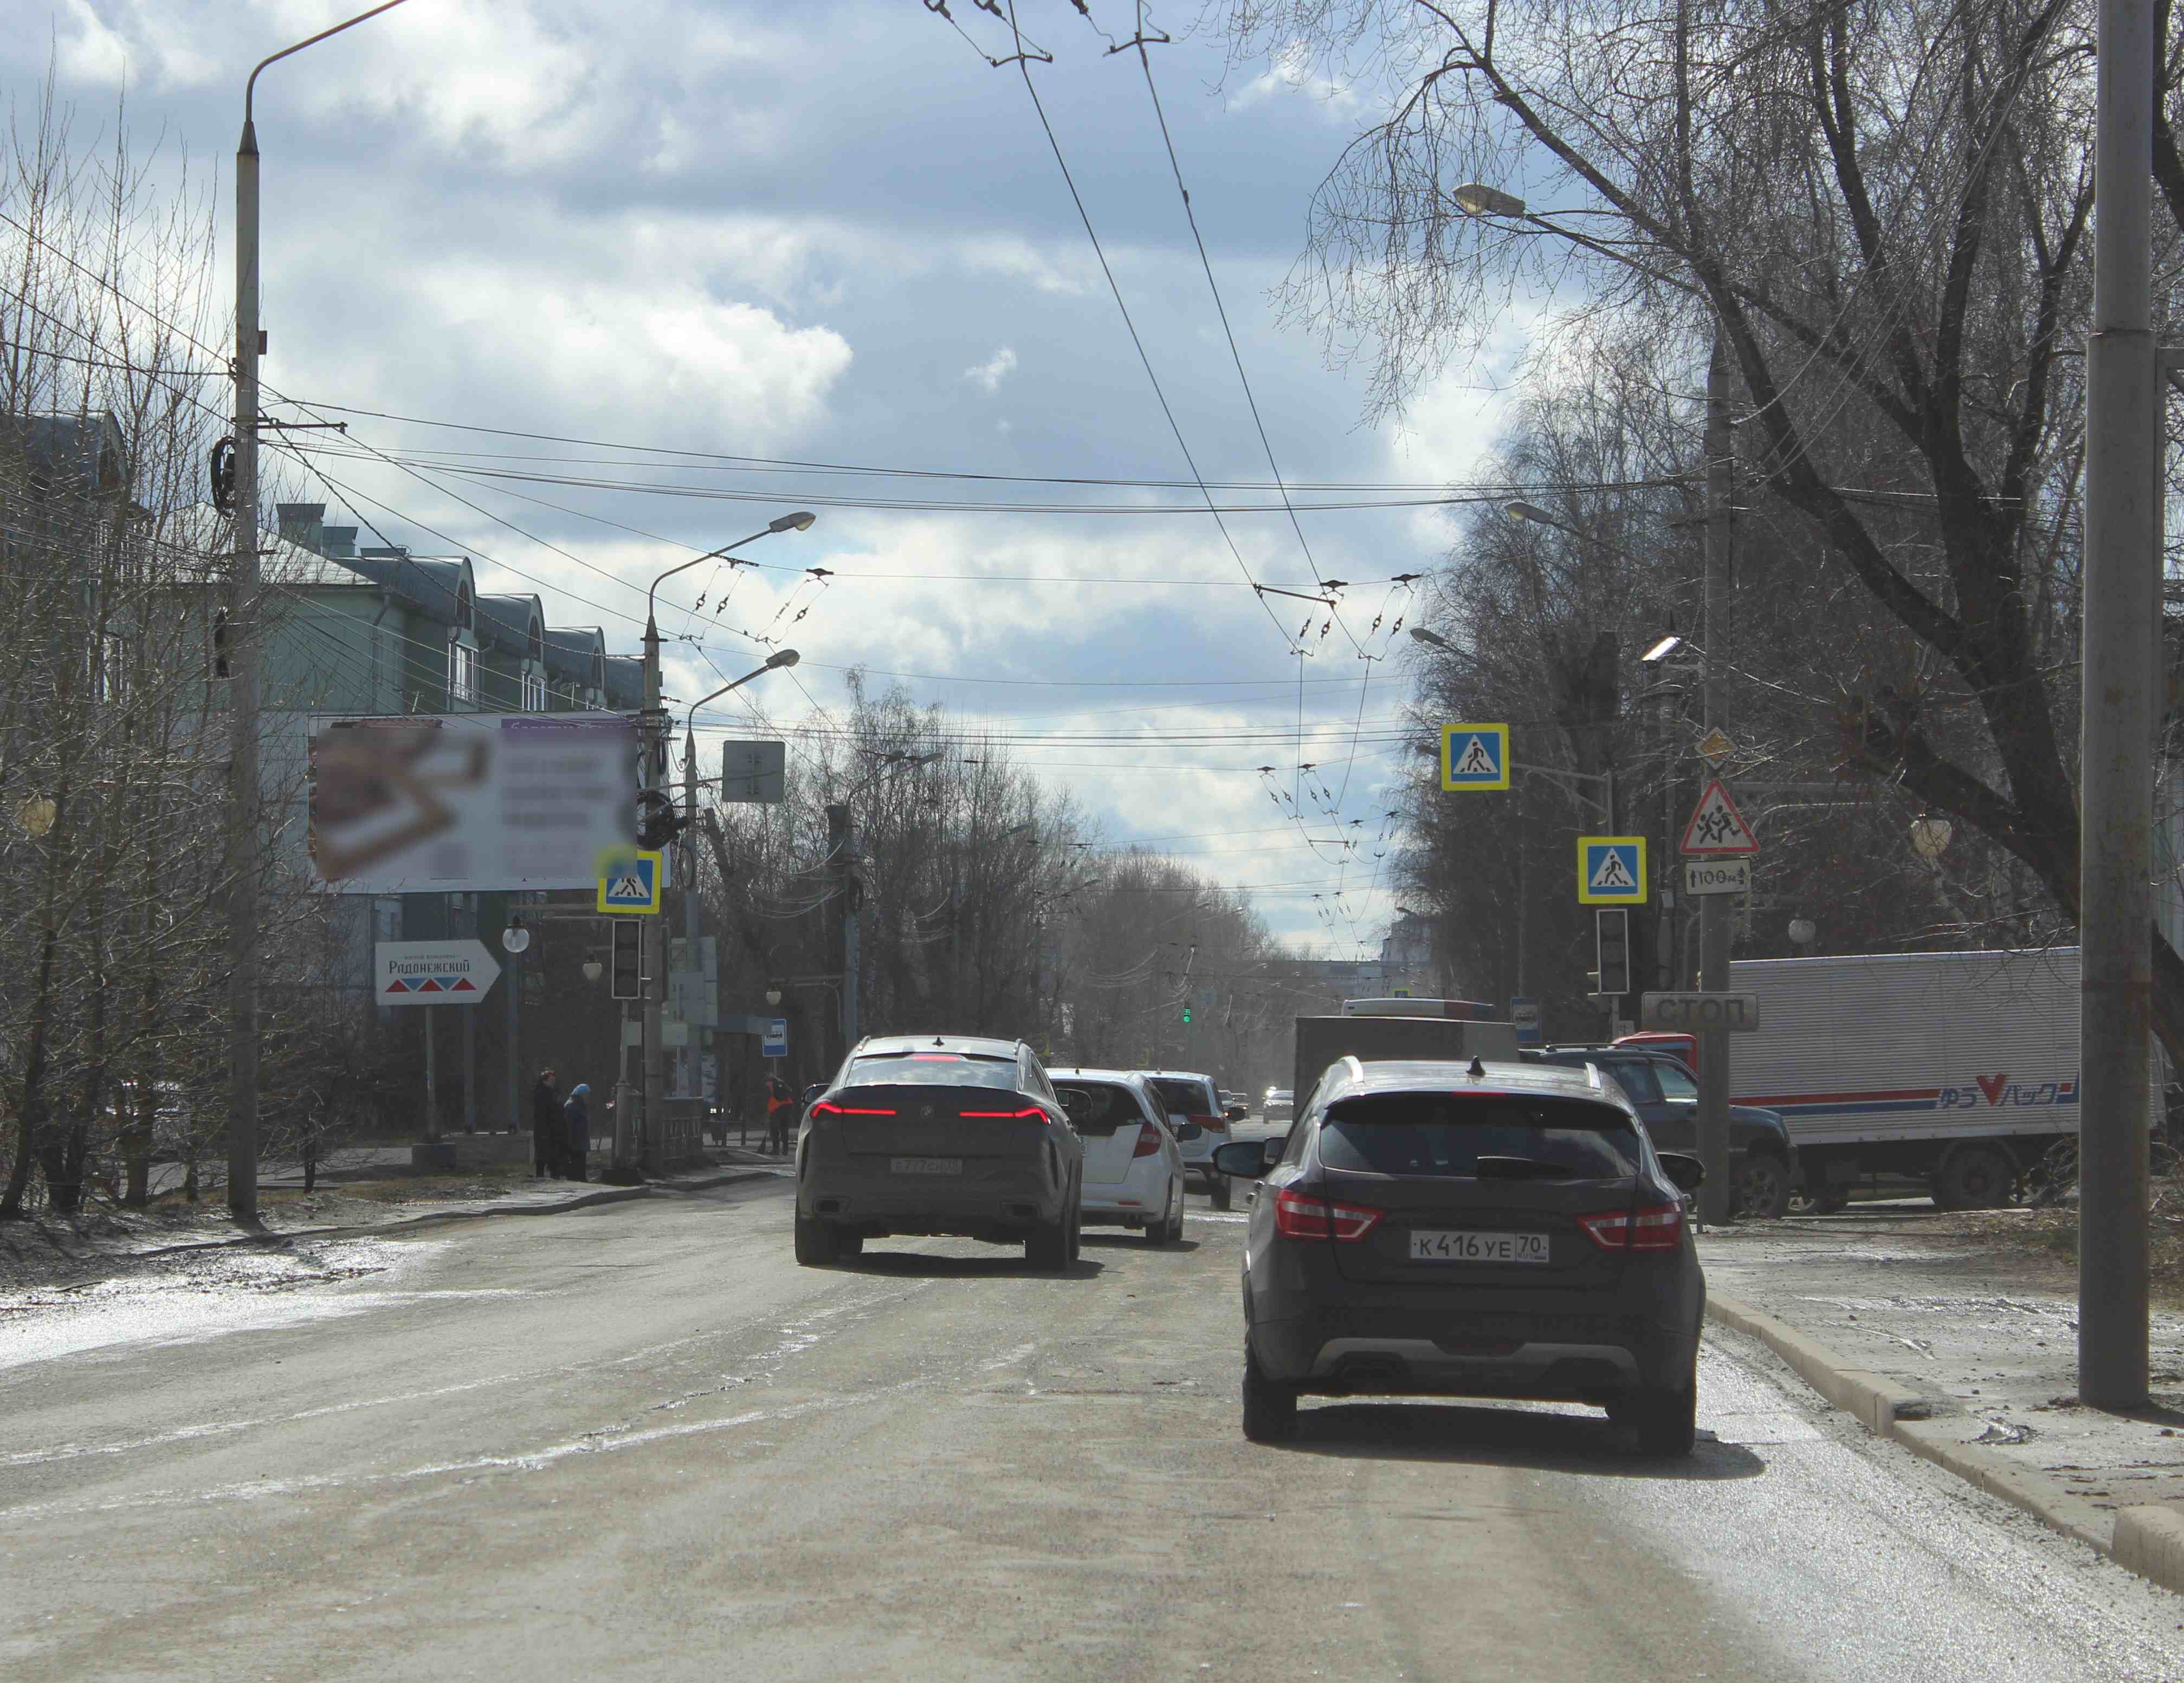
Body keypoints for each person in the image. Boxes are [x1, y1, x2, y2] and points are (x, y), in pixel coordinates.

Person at [529, 1068, 563, 1178]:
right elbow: (543, 1114)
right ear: (544, 1081)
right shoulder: (541, 1094)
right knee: (544, 1156)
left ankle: (549, 1177)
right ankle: (544, 1177)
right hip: (544, 1130)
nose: (554, 1083)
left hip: (551, 1130)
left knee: (548, 1156)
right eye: (552, 1081)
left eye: (555, 1081)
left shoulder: (551, 1093)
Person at [563, 1083, 592, 1182]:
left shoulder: (580, 1105)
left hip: (580, 1141)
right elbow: (568, 1125)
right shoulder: (572, 1105)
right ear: (581, 1094)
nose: (588, 1097)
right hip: (575, 1141)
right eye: (587, 1094)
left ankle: (581, 1179)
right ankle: (576, 1180)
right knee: (576, 1162)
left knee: (581, 1162)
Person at [764, 1074, 793, 1155]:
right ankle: (785, 1150)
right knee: (784, 1129)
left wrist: (768, 1113)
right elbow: (790, 1092)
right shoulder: (782, 1083)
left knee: (774, 1130)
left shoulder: (770, 1084)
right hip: (787, 1107)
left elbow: (769, 1099)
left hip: (777, 1108)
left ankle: (776, 1150)